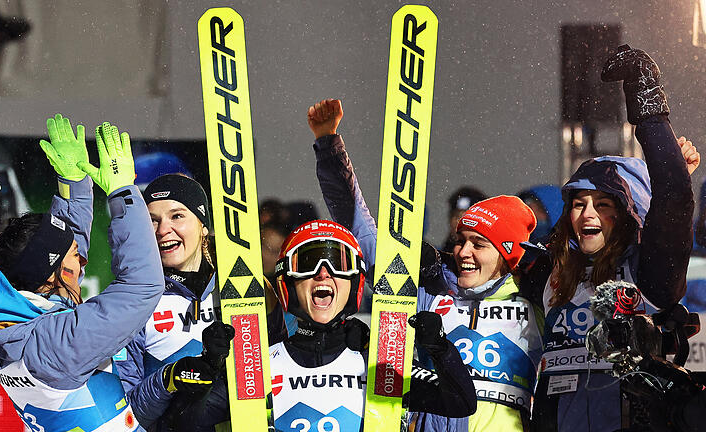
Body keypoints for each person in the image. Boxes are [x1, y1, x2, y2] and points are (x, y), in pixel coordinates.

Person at [307, 99, 542, 431]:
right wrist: (330, 146)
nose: (463, 252)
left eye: (479, 244)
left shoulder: (536, 301)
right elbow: (360, 230)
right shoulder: (433, 291)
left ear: (507, 254)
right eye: (460, 240)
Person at [0, 115, 165, 431]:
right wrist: (122, 192)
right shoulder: (53, 345)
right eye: (76, 260)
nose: (83, 267)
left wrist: (73, 184)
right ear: (52, 276)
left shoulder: (12, 320)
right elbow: (142, 285)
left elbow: (58, 249)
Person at [526, 45, 698, 431]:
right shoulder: (549, 273)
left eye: (604, 205)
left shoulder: (647, 273)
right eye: (579, 203)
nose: (587, 214)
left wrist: (647, 99)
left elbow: (673, 198)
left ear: (626, 216)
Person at [188, 220, 477, 431]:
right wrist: (210, 366)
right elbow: (188, 424)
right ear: (287, 282)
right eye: (308, 264)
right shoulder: (259, 366)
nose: (323, 274)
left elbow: (461, 403)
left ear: (355, 282)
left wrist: (440, 349)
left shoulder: (379, 366)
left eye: (338, 263)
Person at [115, 173, 286, 431]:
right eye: (153, 220)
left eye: (177, 216)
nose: (163, 230)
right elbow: (126, 416)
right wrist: (169, 378)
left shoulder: (249, 287)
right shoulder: (134, 301)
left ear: (203, 224)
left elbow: (286, 369)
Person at [441, 187, 487, 252]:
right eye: (456, 216)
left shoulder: (493, 257)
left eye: (466, 218)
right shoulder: (436, 257)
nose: (458, 222)